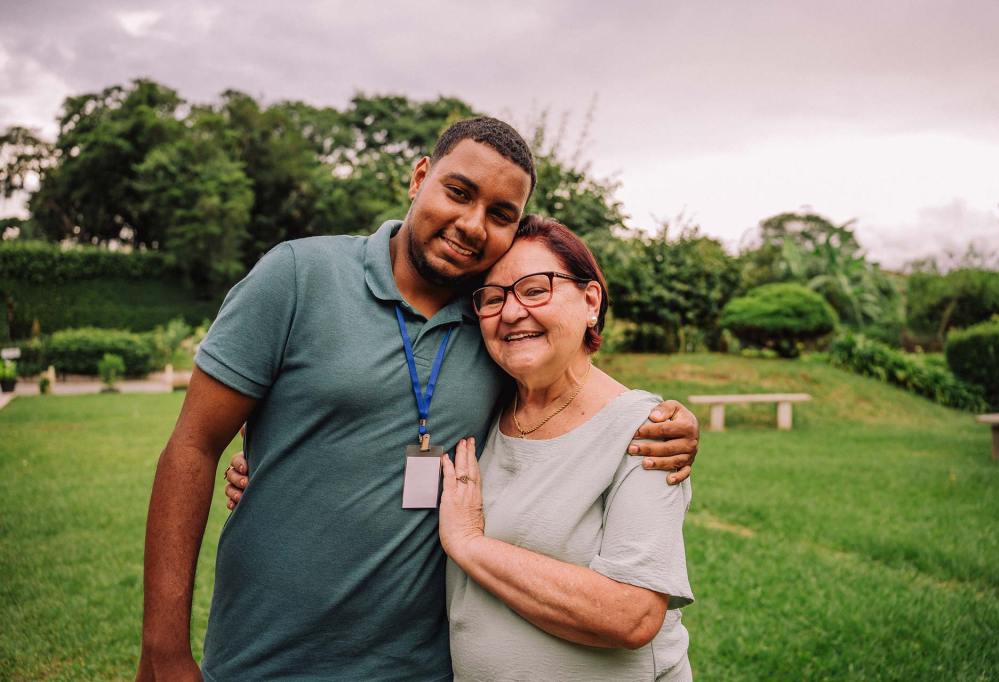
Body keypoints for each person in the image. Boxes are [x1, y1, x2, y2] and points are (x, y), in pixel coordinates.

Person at [137, 117, 699, 681]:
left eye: (501, 214)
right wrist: (162, 652)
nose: (472, 225)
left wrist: (672, 422)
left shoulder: (493, 328)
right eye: (458, 192)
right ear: (420, 177)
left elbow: (570, 388)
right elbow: (193, 444)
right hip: (263, 660)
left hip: (420, 668)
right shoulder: (298, 276)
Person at [228, 216, 695, 680]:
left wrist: (470, 545)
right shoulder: (485, 410)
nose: (512, 312)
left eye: (535, 290)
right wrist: (272, 470)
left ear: (591, 300)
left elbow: (631, 615)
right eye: (493, 298)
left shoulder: (649, 433)